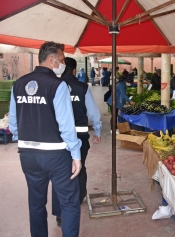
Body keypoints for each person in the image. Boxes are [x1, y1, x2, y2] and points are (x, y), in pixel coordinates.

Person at [8, 41, 82, 236]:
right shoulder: (57, 86)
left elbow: (13, 124)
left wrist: (24, 143)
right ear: (52, 60)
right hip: (56, 156)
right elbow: (66, 126)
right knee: (69, 203)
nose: (63, 64)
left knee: (36, 203)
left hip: (28, 156)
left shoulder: (19, 84)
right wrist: (76, 155)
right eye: (62, 60)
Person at [52, 57, 102, 227]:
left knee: (59, 174)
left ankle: (60, 214)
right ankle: (79, 196)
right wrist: (98, 131)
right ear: (74, 70)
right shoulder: (82, 87)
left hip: (58, 139)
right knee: (79, 167)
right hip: (80, 137)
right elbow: (93, 112)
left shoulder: (53, 86)